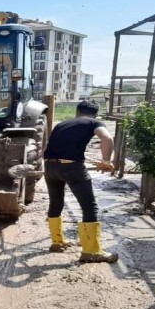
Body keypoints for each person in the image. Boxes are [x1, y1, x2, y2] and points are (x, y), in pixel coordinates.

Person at [43, 100, 118, 263]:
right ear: (95, 113)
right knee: (89, 206)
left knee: (56, 203)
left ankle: (57, 242)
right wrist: (106, 161)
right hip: (72, 168)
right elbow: (107, 138)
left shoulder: (61, 124)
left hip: (49, 167)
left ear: (77, 112)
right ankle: (91, 250)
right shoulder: (94, 122)